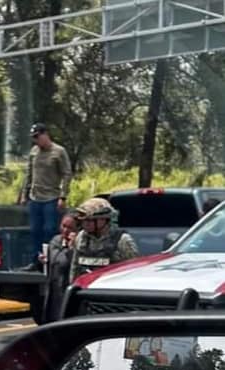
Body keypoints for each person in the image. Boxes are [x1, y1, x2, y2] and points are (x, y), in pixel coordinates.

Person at [19, 123, 73, 267]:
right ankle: (36, 260)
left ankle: (51, 259)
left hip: (51, 197)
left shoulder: (59, 151)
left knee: (50, 229)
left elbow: (67, 174)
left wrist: (63, 196)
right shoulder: (34, 152)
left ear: (46, 134)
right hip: (35, 197)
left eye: (37, 137)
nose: (36, 140)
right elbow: (29, 174)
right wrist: (24, 194)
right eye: (33, 138)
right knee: (35, 230)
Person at [69, 197, 140, 283]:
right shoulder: (81, 238)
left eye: (89, 220)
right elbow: (75, 269)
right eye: (83, 221)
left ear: (103, 219)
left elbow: (133, 272)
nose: (85, 224)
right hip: (86, 291)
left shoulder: (122, 240)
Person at [40, 213, 78, 323]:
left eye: (70, 228)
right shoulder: (55, 241)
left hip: (67, 292)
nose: (65, 230)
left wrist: (72, 248)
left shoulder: (79, 244)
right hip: (53, 292)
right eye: (63, 226)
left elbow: (75, 265)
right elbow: (52, 261)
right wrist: (42, 260)